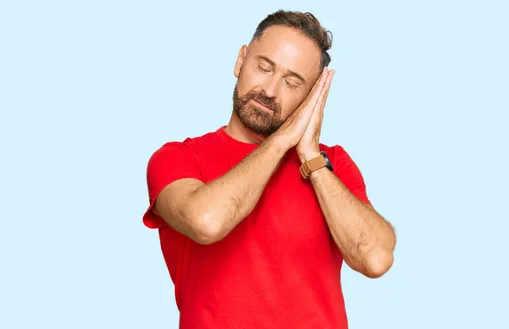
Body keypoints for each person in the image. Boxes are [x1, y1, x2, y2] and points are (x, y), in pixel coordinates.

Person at [142, 9, 396, 329]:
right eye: (264, 67)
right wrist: (281, 141)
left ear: (310, 96)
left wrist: (311, 159)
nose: (271, 90)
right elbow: (207, 221)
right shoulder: (178, 158)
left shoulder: (330, 164)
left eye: (292, 82)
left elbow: (376, 258)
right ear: (241, 61)